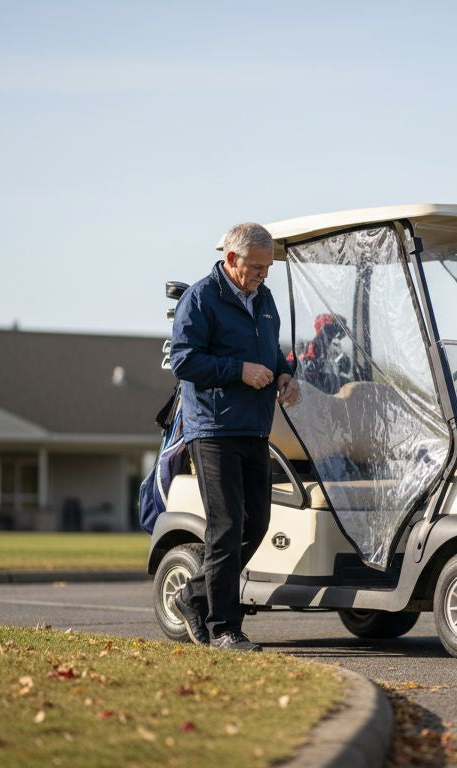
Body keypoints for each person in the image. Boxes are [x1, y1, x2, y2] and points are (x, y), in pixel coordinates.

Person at [166, 222, 300, 651]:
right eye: (257, 267)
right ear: (231, 260)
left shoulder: (264, 298)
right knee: (225, 529)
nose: (263, 274)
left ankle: (192, 595)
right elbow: (184, 361)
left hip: (255, 428)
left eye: (268, 267)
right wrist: (239, 371)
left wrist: (285, 373)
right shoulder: (201, 297)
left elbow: (271, 352)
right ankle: (225, 628)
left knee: (255, 524)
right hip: (214, 429)